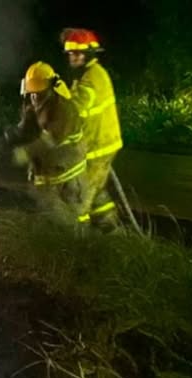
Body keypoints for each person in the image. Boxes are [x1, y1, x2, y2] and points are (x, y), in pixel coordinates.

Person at [0, 61, 88, 224]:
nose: (33, 96)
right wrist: (8, 139)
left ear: (50, 89)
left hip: (69, 176)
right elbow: (26, 128)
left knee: (72, 218)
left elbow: (50, 140)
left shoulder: (63, 108)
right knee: (50, 214)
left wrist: (22, 153)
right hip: (51, 173)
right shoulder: (36, 103)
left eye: (37, 92)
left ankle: (79, 235)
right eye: (31, 92)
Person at [60, 28, 125, 230]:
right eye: (70, 53)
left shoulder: (92, 78)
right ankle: (111, 232)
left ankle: (77, 237)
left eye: (77, 53)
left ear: (89, 54)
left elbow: (76, 109)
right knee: (95, 191)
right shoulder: (86, 74)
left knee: (78, 195)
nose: (73, 57)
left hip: (98, 147)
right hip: (100, 144)